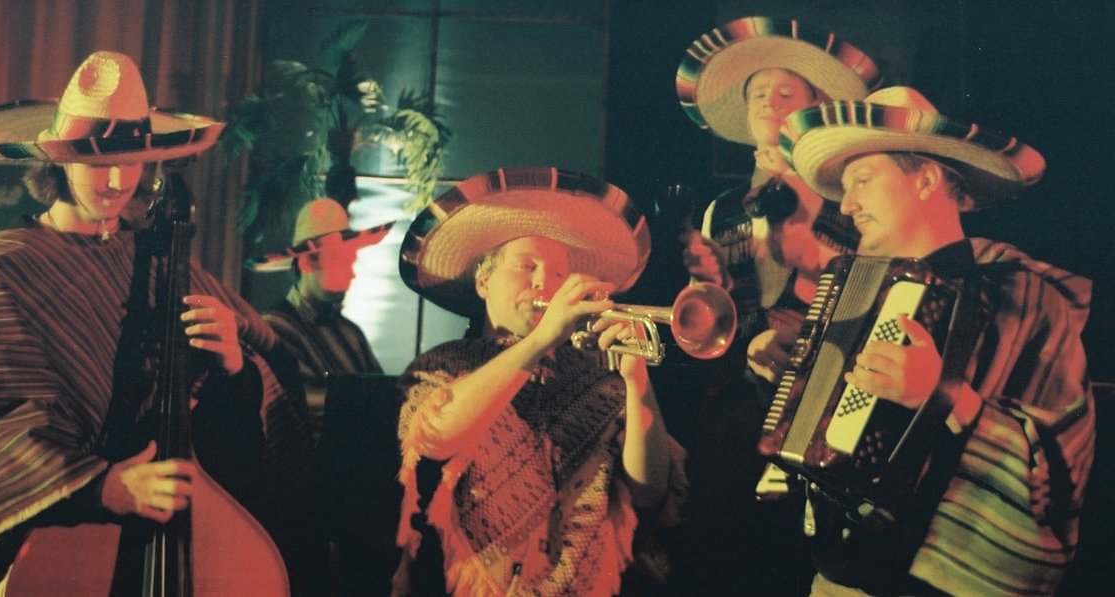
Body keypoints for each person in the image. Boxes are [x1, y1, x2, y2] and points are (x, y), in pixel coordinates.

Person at [0, 51, 315, 596]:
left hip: (170, 535)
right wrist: (99, 485)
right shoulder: (8, 267)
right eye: (96, 161)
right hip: (53, 548)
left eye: (132, 161)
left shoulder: (157, 259)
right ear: (58, 160)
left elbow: (233, 435)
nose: (116, 180)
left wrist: (234, 367)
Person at [750, 85, 1094, 595]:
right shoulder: (852, 291)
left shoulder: (1028, 301)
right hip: (837, 577)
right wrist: (788, 374)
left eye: (863, 179)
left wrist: (945, 394)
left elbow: (1061, 471)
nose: (846, 205)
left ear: (927, 179)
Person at [389, 166, 687, 595]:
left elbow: (649, 492)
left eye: (560, 274)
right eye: (526, 266)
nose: (545, 282)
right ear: (483, 281)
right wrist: (542, 339)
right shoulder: (445, 364)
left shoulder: (596, 378)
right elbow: (434, 436)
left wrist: (635, 379)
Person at [665, 16, 882, 593]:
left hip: (824, 405)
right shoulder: (722, 209)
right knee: (724, 552)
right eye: (758, 93)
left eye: (786, 92)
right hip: (737, 407)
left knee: (804, 555)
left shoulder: (848, 202)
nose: (769, 102)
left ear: (817, 107)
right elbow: (708, 310)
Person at [258, 197, 389, 444]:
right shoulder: (272, 330)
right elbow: (292, 417)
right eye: (341, 261)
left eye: (351, 261)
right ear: (307, 263)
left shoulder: (351, 333)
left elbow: (383, 398)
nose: (352, 273)